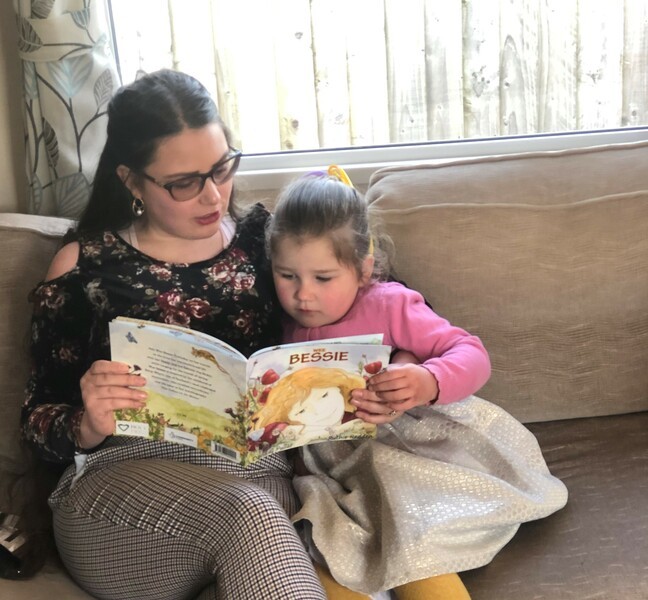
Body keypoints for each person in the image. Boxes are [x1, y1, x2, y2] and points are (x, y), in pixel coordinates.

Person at [21, 69, 326, 600]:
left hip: (258, 478)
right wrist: (87, 422)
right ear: (131, 179)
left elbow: (382, 303)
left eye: (222, 167)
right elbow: (35, 420)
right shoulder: (86, 266)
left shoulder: (270, 239)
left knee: (281, 534)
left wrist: (404, 367)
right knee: (250, 515)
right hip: (120, 486)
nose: (213, 195)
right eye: (185, 183)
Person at [265, 168, 569, 599]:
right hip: (331, 464)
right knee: (323, 546)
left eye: (323, 277)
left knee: (412, 529)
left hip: (409, 442)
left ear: (363, 268)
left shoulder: (389, 304)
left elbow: (471, 353)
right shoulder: (280, 325)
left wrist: (427, 378)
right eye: (287, 275)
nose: (303, 295)